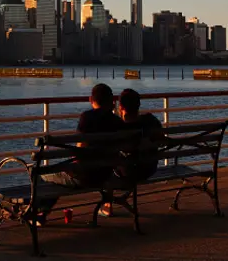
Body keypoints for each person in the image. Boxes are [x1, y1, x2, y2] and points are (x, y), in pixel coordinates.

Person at [34, 83, 126, 225]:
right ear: (111, 101)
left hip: (85, 176)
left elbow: (79, 149)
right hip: (106, 174)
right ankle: (107, 206)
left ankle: (40, 213)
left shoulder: (87, 117)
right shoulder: (117, 121)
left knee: (42, 176)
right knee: (62, 177)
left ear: (91, 99)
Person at [100, 88, 164, 217]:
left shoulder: (117, 126)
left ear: (121, 106)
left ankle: (108, 205)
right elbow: (162, 141)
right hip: (149, 168)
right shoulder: (151, 121)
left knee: (106, 164)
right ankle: (117, 200)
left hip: (128, 172)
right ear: (138, 105)